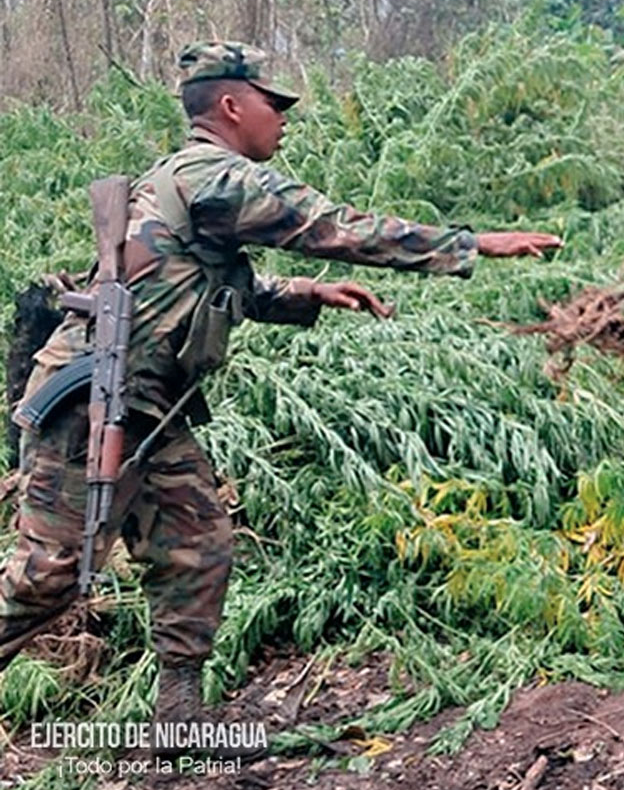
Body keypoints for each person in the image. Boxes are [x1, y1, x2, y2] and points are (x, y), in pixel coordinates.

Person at [0, 42, 562, 741]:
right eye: (276, 103)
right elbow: (335, 227)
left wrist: (303, 293)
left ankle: (179, 719)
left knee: (197, 546)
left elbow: (197, 283)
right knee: (47, 578)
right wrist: (471, 245)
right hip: (90, 405)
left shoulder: (192, 182)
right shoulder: (216, 177)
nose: (285, 118)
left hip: (145, 408)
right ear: (232, 106)